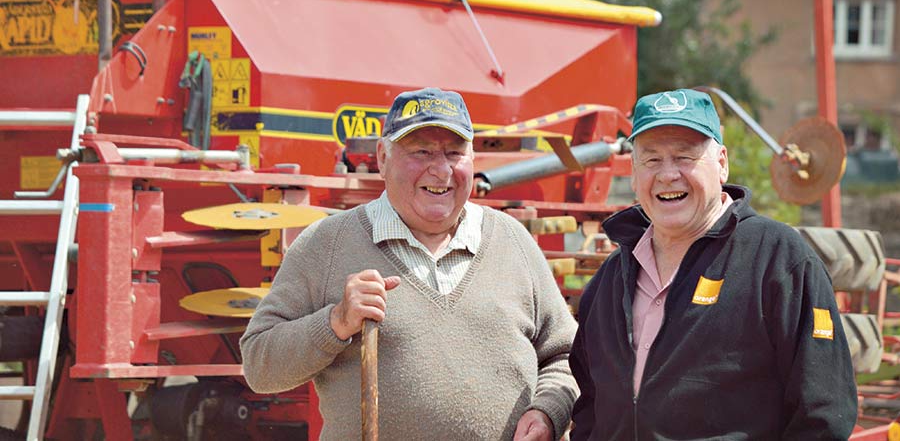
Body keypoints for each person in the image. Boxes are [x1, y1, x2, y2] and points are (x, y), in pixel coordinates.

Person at [241, 87, 578, 440]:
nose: (441, 169)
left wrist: (548, 412)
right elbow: (260, 366)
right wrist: (336, 322)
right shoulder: (328, 244)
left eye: (454, 153)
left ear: (473, 160)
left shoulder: (512, 241)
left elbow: (568, 356)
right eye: (421, 152)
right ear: (383, 157)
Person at [569, 88, 858, 439]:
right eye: (651, 160)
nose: (668, 174)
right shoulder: (610, 280)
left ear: (721, 163)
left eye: (684, 157)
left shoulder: (779, 260)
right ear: (632, 174)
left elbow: (822, 417)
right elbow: (589, 410)